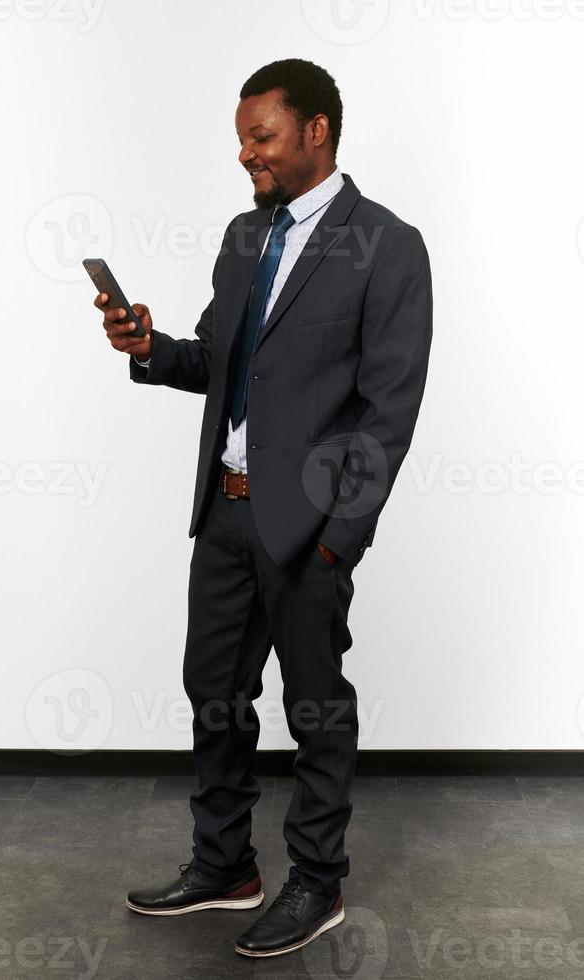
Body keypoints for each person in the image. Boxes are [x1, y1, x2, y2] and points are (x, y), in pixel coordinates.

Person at [94, 58, 433, 959]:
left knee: (315, 704)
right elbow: (216, 362)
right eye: (243, 138)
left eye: (261, 136)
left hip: (309, 530)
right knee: (214, 693)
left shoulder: (388, 246)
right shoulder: (248, 237)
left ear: (316, 130)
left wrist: (338, 540)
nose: (246, 153)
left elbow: (387, 412)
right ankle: (224, 865)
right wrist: (150, 346)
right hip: (227, 513)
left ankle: (317, 882)